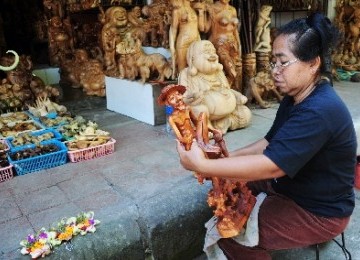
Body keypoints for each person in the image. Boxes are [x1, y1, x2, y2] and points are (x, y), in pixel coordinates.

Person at [176, 12, 357, 259]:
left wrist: (203, 165)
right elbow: (268, 143)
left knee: (230, 235)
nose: (275, 71)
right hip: (295, 188)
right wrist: (222, 160)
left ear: (313, 63)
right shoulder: (296, 97)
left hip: (320, 212)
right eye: (274, 62)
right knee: (231, 186)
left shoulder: (319, 109)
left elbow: (272, 166)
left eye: (283, 62)